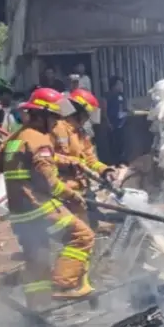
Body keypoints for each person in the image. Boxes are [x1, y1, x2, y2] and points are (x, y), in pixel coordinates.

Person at [0, 87, 95, 309]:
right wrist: (73, 195)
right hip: (38, 207)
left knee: (36, 258)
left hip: (18, 211)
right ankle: (63, 285)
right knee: (82, 236)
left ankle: (39, 308)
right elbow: (49, 182)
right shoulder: (40, 140)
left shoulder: (16, 137)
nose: (57, 122)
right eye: (54, 117)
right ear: (43, 115)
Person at [52, 89, 115, 228]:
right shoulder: (57, 128)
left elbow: (90, 159)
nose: (88, 118)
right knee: (77, 231)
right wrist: (71, 162)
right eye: (87, 114)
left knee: (91, 226)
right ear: (79, 111)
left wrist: (105, 171)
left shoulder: (81, 133)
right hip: (62, 188)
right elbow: (46, 155)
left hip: (81, 189)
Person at [104, 76, 128, 165]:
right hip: (112, 124)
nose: (121, 86)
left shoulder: (121, 95)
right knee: (112, 144)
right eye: (119, 84)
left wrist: (125, 116)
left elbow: (124, 108)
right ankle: (113, 163)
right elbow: (104, 110)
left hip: (121, 123)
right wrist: (108, 123)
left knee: (121, 143)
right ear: (113, 86)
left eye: (121, 84)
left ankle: (121, 162)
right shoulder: (108, 95)